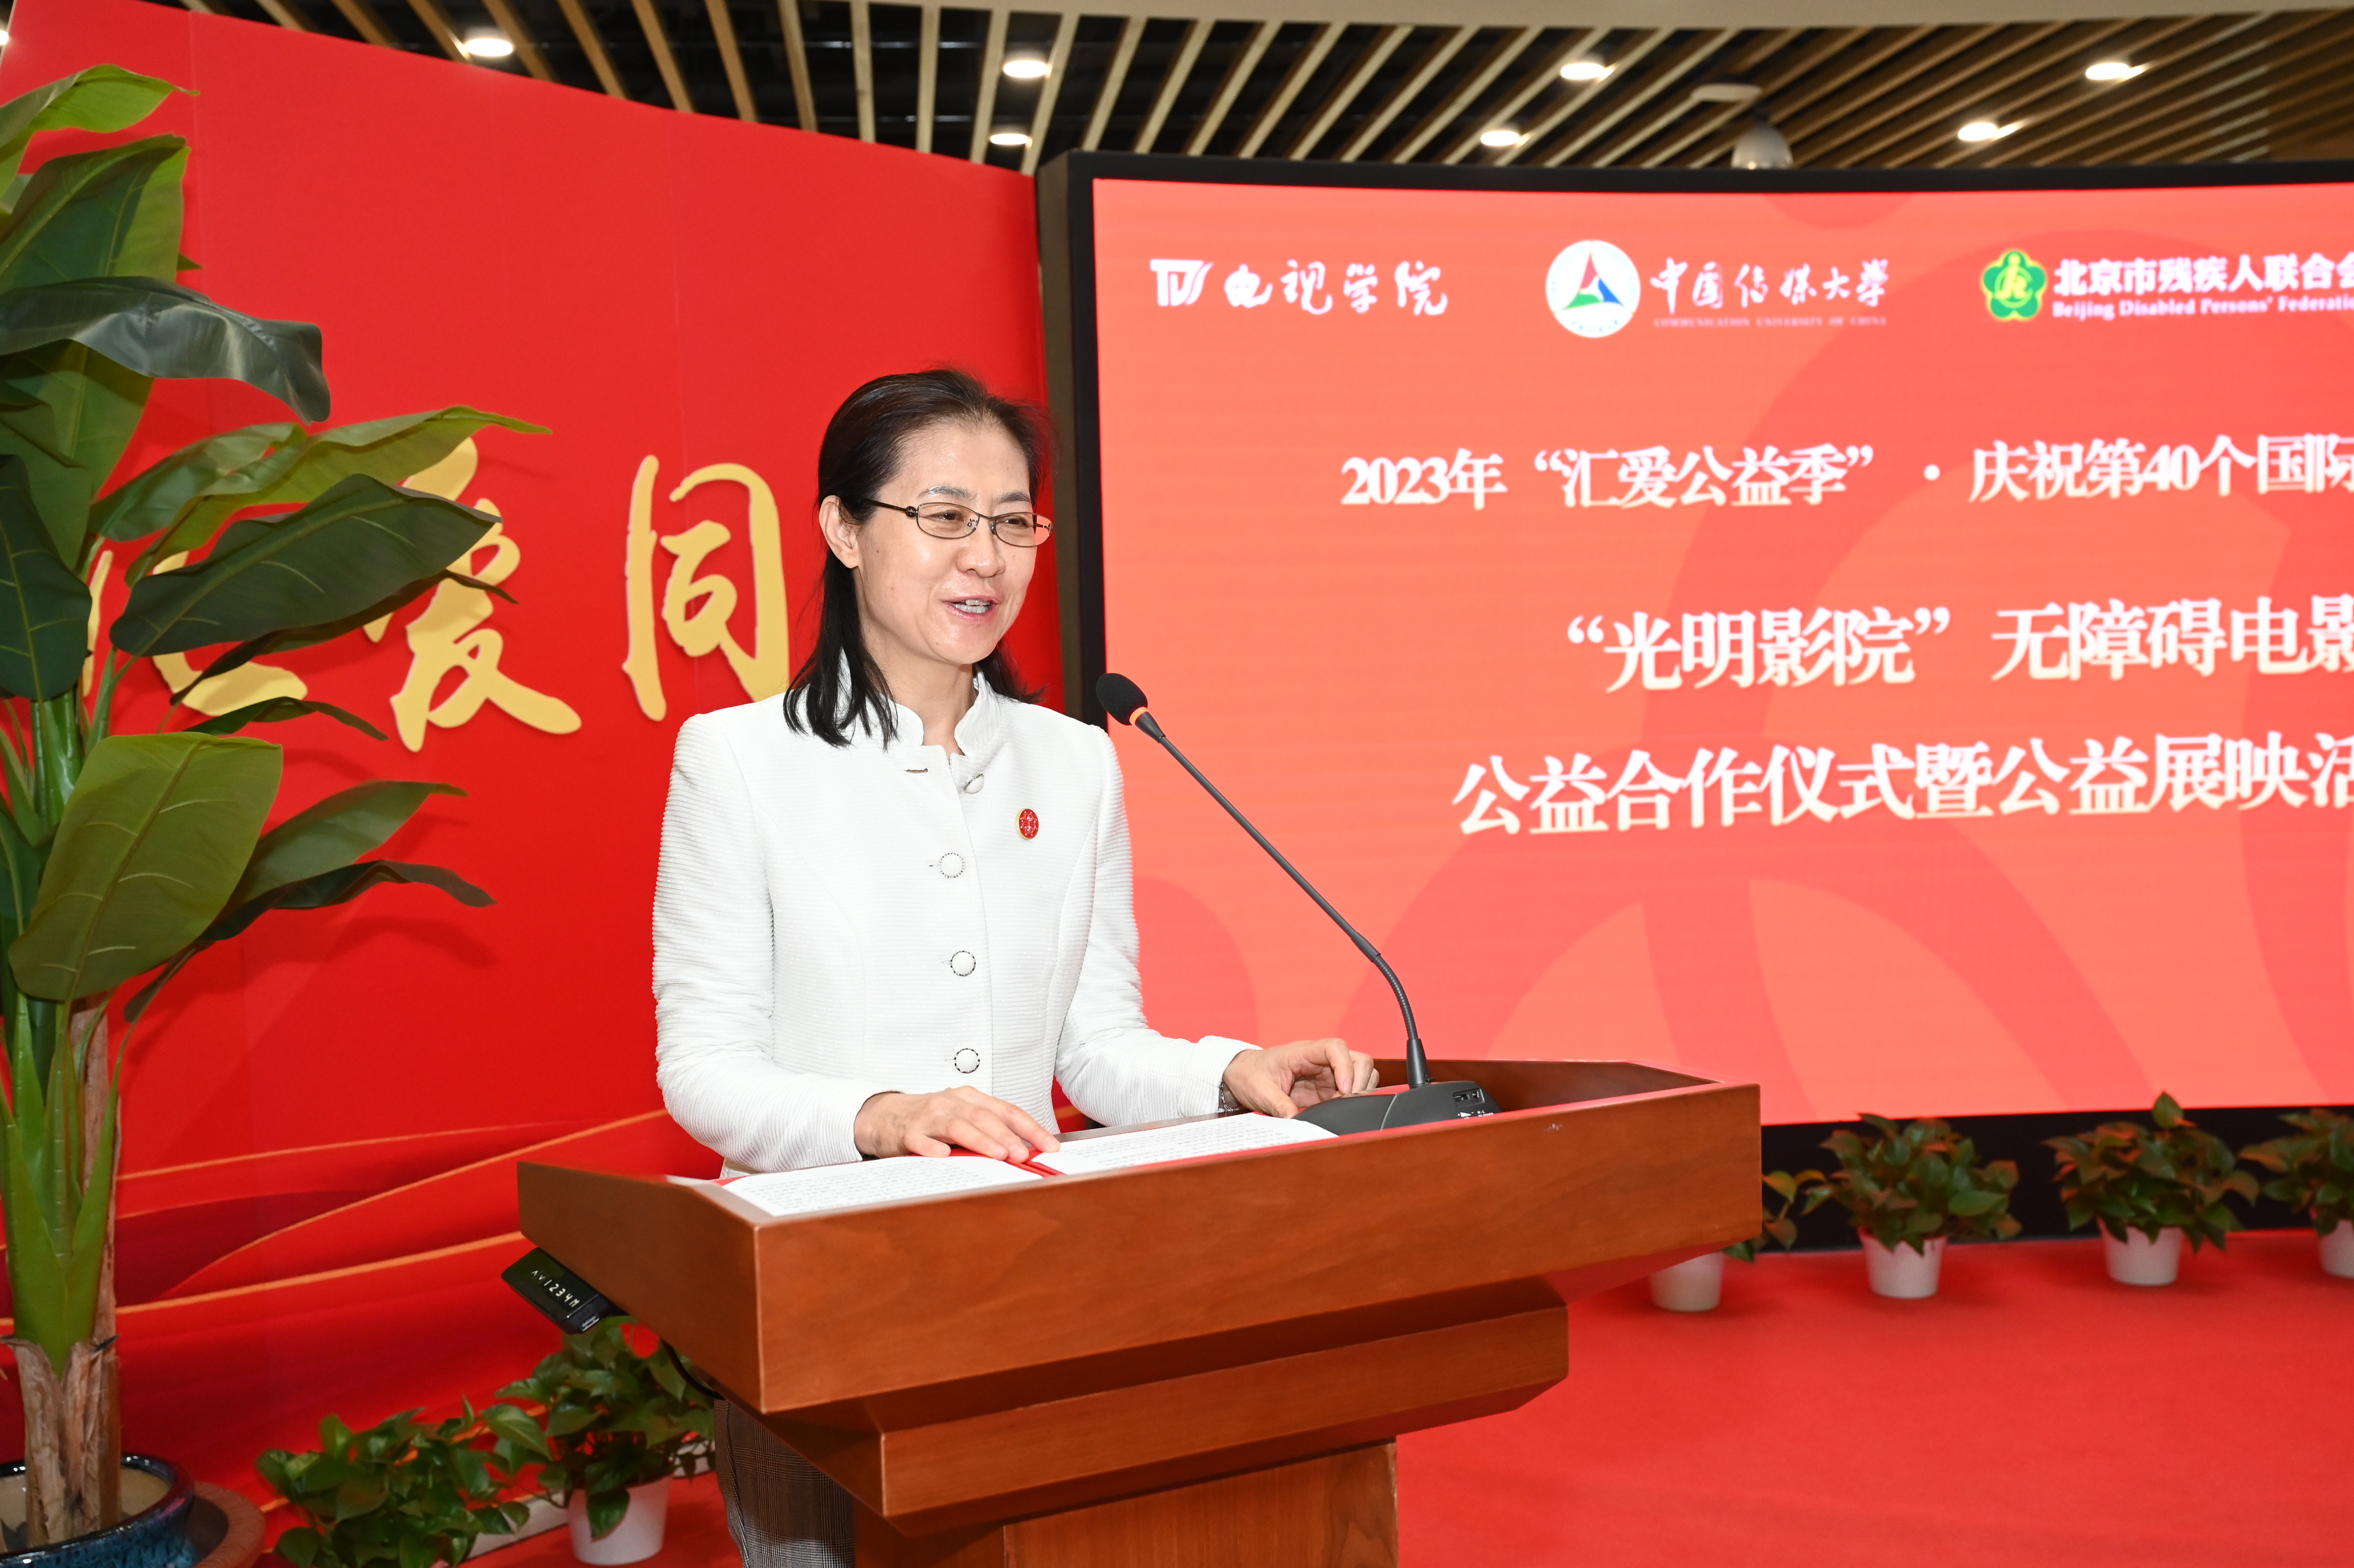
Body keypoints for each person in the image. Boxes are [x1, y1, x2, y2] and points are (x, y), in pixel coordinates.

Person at [651, 368, 1377, 1566]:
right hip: (820, 1299)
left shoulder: (1073, 761)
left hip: (1030, 1293)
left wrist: (1230, 1072)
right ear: (843, 528)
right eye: (942, 515)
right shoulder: (738, 761)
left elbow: (1092, 1045)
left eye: (1009, 521)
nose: (981, 557)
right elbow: (704, 1071)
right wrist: (884, 1117)